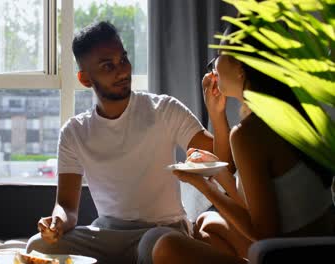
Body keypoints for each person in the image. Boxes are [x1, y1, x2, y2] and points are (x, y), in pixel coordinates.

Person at [26, 21, 234, 264]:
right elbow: (67, 207)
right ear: (85, 78)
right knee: (37, 246)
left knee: (159, 244)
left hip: (162, 231)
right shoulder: (74, 132)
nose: (122, 71)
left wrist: (217, 115)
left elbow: (223, 164)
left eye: (123, 60)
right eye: (108, 66)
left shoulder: (164, 109)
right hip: (106, 233)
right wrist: (56, 223)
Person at [152, 22, 334, 264]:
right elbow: (269, 203)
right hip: (320, 247)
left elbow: (265, 233)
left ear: (241, 67)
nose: (214, 65)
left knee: (166, 247)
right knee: (209, 224)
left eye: (220, 54)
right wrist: (217, 170)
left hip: (289, 255)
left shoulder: (250, 134)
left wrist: (203, 186)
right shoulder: (300, 113)